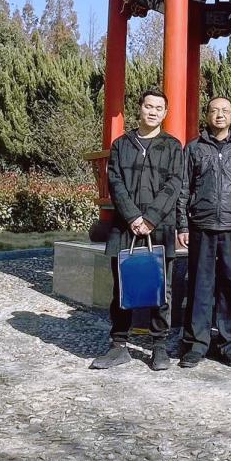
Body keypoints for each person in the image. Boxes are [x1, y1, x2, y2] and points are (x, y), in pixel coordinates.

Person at [90, 89, 184, 372]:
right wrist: (133, 217)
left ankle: (159, 346)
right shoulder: (121, 145)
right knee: (122, 285)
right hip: (125, 226)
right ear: (140, 108)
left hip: (160, 226)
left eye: (158, 108)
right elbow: (115, 183)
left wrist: (151, 219)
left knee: (161, 288)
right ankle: (118, 345)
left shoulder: (172, 146)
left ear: (165, 113)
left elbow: (174, 184)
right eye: (148, 106)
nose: (153, 112)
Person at [176, 97, 231, 368]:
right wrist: (182, 225)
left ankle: (230, 345)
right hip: (202, 224)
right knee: (200, 286)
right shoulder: (193, 148)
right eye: (214, 110)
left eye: (225, 111)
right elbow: (184, 188)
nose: (219, 115)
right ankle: (196, 344)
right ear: (206, 115)